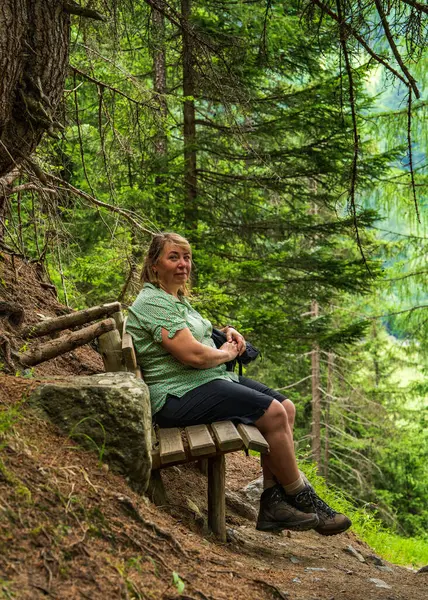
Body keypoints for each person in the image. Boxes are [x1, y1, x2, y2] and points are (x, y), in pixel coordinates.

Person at [126, 232, 351, 536]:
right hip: (176, 394)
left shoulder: (175, 298)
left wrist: (227, 334)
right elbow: (191, 354)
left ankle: (272, 502)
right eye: (173, 257)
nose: (183, 264)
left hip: (201, 382)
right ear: (154, 265)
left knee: (286, 407)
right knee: (272, 413)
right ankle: (302, 498)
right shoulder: (153, 302)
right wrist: (225, 353)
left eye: (187, 257)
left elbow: (196, 337)